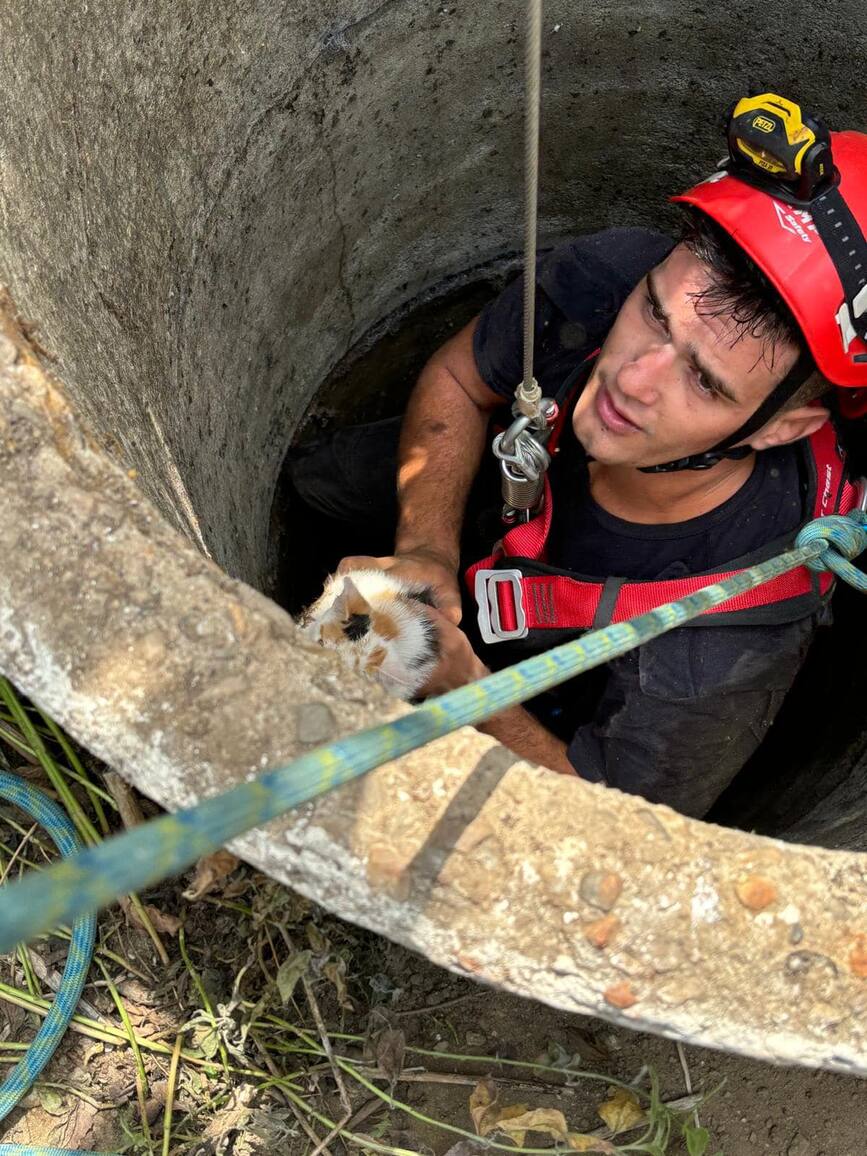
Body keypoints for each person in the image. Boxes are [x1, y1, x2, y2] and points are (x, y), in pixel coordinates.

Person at [289, 94, 867, 818]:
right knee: (317, 484)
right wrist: (425, 547)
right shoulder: (604, 278)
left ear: (781, 429)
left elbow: (614, 824)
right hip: (480, 516)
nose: (630, 378)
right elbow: (459, 380)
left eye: (702, 381)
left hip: (569, 705)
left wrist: (463, 690)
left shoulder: (715, 659)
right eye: (654, 313)